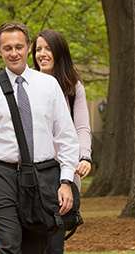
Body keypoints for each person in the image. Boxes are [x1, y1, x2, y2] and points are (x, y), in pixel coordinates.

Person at [0, 21, 79, 254]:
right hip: (0, 176)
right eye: (7, 48)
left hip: (43, 177)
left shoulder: (49, 85)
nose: (13, 53)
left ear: (28, 47)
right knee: (8, 245)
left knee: (35, 247)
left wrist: (66, 181)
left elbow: (66, 136)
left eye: (19, 47)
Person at [32, 29, 93, 253]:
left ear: (59, 53)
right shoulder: (26, 83)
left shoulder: (73, 87)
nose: (42, 54)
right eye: (38, 49)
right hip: (33, 173)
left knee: (55, 242)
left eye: (48, 48)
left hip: (63, 174)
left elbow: (82, 127)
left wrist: (84, 156)